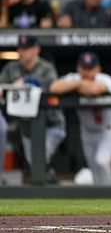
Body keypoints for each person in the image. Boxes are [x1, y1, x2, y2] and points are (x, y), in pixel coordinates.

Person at [50, 52, 111, 185]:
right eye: (84, 68)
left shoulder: (106, 78)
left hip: (110, 129)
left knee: (102, 161)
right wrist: (79, 83)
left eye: (90, 69)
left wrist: (75, 85)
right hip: (88, 132)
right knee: (95, 170)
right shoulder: (74, 78)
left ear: (98, 69)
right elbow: (54, 87)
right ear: (78, 68)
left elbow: (94, 90)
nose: (87, 72)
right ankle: (103, 197)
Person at [0, 35, 66, 181]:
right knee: (35, 164)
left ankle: (49, 185)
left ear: (36, 49)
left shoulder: (46, 68)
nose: (23, 52)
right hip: (27, 128)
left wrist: (25, 83)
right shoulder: (11, 68)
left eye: (27, 49)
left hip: (51, 125)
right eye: (20, 49)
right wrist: (8, 88)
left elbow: (52, 88)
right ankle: (50, 180)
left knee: (39, 157)